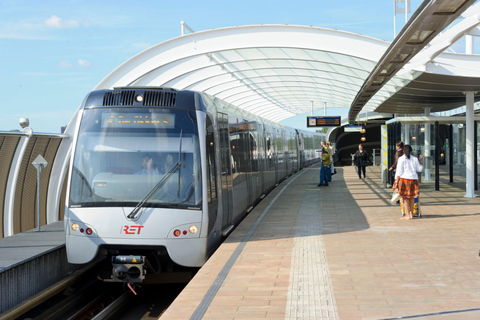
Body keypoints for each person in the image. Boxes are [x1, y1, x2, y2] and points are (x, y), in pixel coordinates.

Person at [393, 145, 423, 220]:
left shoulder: (401, 159)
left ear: (403, 151)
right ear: (411, 151)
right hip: (413, 180)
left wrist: (396, 181)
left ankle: (407, 215)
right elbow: (419, 169)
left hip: (404, 180)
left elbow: (399, 171)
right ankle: (411, 214)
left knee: (405, 198)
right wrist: (420, 161)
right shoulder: (415, 159)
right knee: (412, 197)